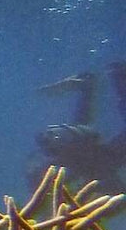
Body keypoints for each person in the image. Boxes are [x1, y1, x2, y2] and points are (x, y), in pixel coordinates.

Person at [29, 61, 126, 194]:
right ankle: (99, 81)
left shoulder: (101, 172)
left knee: (83, 131)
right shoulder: (97, 171)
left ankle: (110, 77)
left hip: (82, 151)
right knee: (82, 127)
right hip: (80, 148)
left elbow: (117, 192)